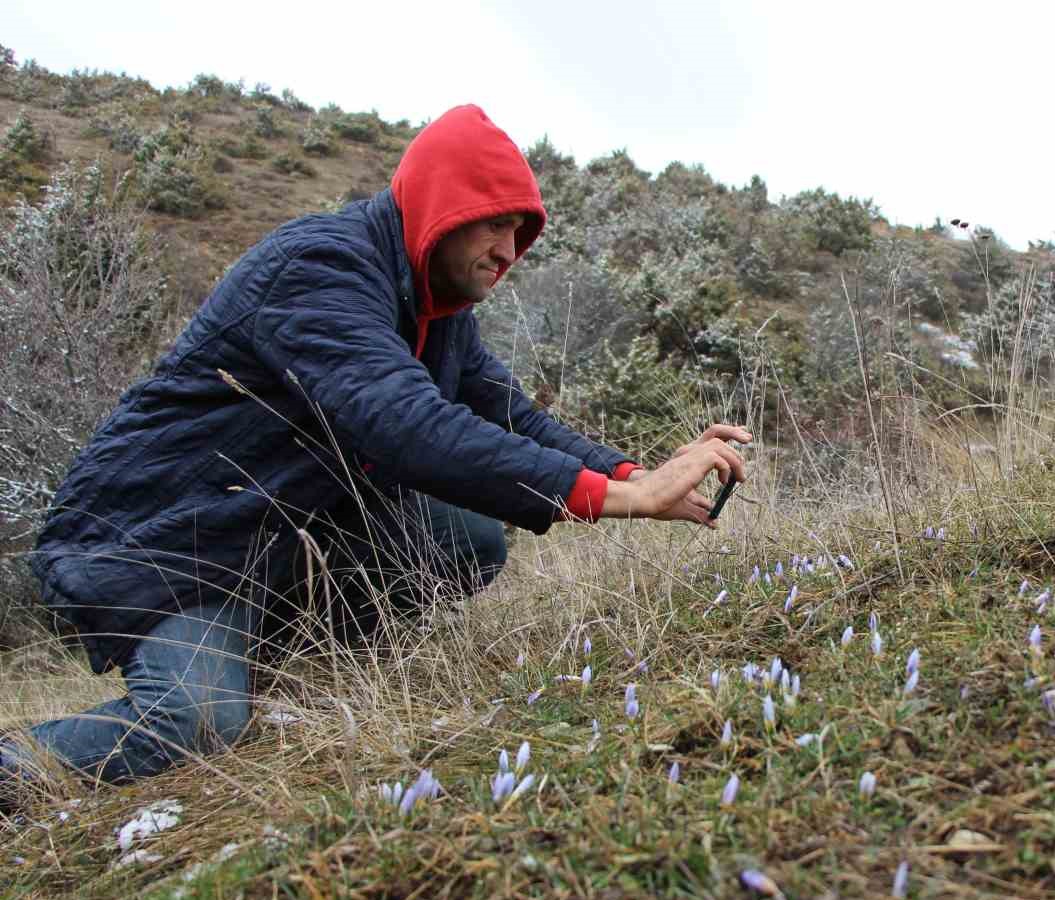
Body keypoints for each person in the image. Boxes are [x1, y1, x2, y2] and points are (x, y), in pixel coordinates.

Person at [1, 104, 747, 806]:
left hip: (276, 534)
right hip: (170, 542)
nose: (508, 252)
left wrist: (633, 473)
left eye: (521, 234)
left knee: (465, 541)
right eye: (494, 226)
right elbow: (406, 427)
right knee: (195, 724)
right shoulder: (319, 269)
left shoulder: (435, 305)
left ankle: (285, 672)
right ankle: (31, 759)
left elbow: (508, 413)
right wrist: (621, 501)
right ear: (442, 207)